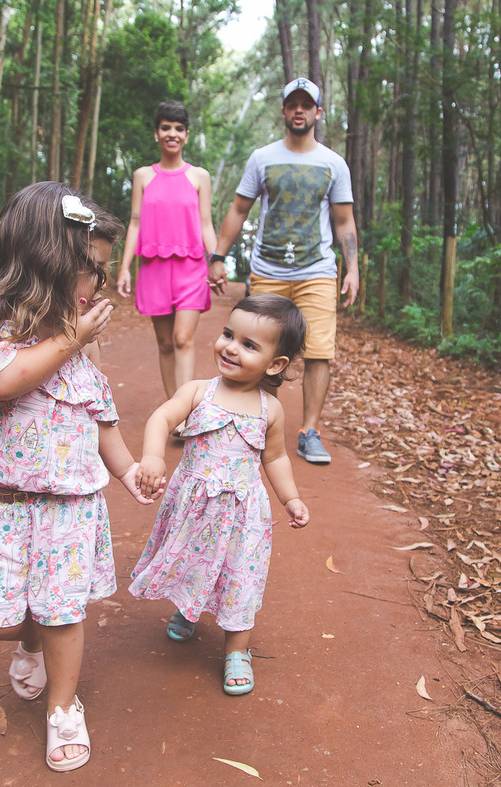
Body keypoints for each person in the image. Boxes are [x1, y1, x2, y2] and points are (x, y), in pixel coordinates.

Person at [0, 182, 155, 773]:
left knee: (62, 610)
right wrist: (71, 338)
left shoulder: (80, 344)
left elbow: (99, 415)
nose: (98, 287)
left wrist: (128, 469)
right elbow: (5, 382)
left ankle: (63, 708)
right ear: (48, 260)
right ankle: (27, 641)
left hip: (68, 506)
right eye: (92, 271)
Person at [129, 294, 311, 696]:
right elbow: (162, 417)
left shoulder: (270, 410)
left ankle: (237, 651)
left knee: (240, 576)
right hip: (195, 509)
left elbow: (275, 457)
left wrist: (291, 498)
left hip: (242, 514)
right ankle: (188, 608)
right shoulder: (198, 391)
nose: (230, 347)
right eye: (228, 334)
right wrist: (153, 456)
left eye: (248, 344)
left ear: (275, 364)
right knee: (192, 561)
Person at [209, 77, 359, 466]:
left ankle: (309, 432)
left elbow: (344, 220)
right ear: (284, 111)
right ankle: (262, 426)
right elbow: (239, 209)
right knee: (262, 348)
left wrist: (353, 269)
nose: (299, 110)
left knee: (319, 351)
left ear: (317, 112)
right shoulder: (262, 158)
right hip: (268, 270)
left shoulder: (333, 163)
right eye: (293, 104)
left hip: (317, 270)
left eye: (306, 105)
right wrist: (218, 256)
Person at [117, 100, 220, 415]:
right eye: (165, 128)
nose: (172, 134)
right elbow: (135, 222)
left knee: (182, 338)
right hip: (154, 269)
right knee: (165, 344)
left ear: (186, 135)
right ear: (156, 133)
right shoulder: (143, 175)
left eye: (178, 128)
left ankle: (184, 412)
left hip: (192, 268)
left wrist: (217, 260)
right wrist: (125, 267)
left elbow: (206, 223)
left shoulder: (199, 176)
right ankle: (174, 411)